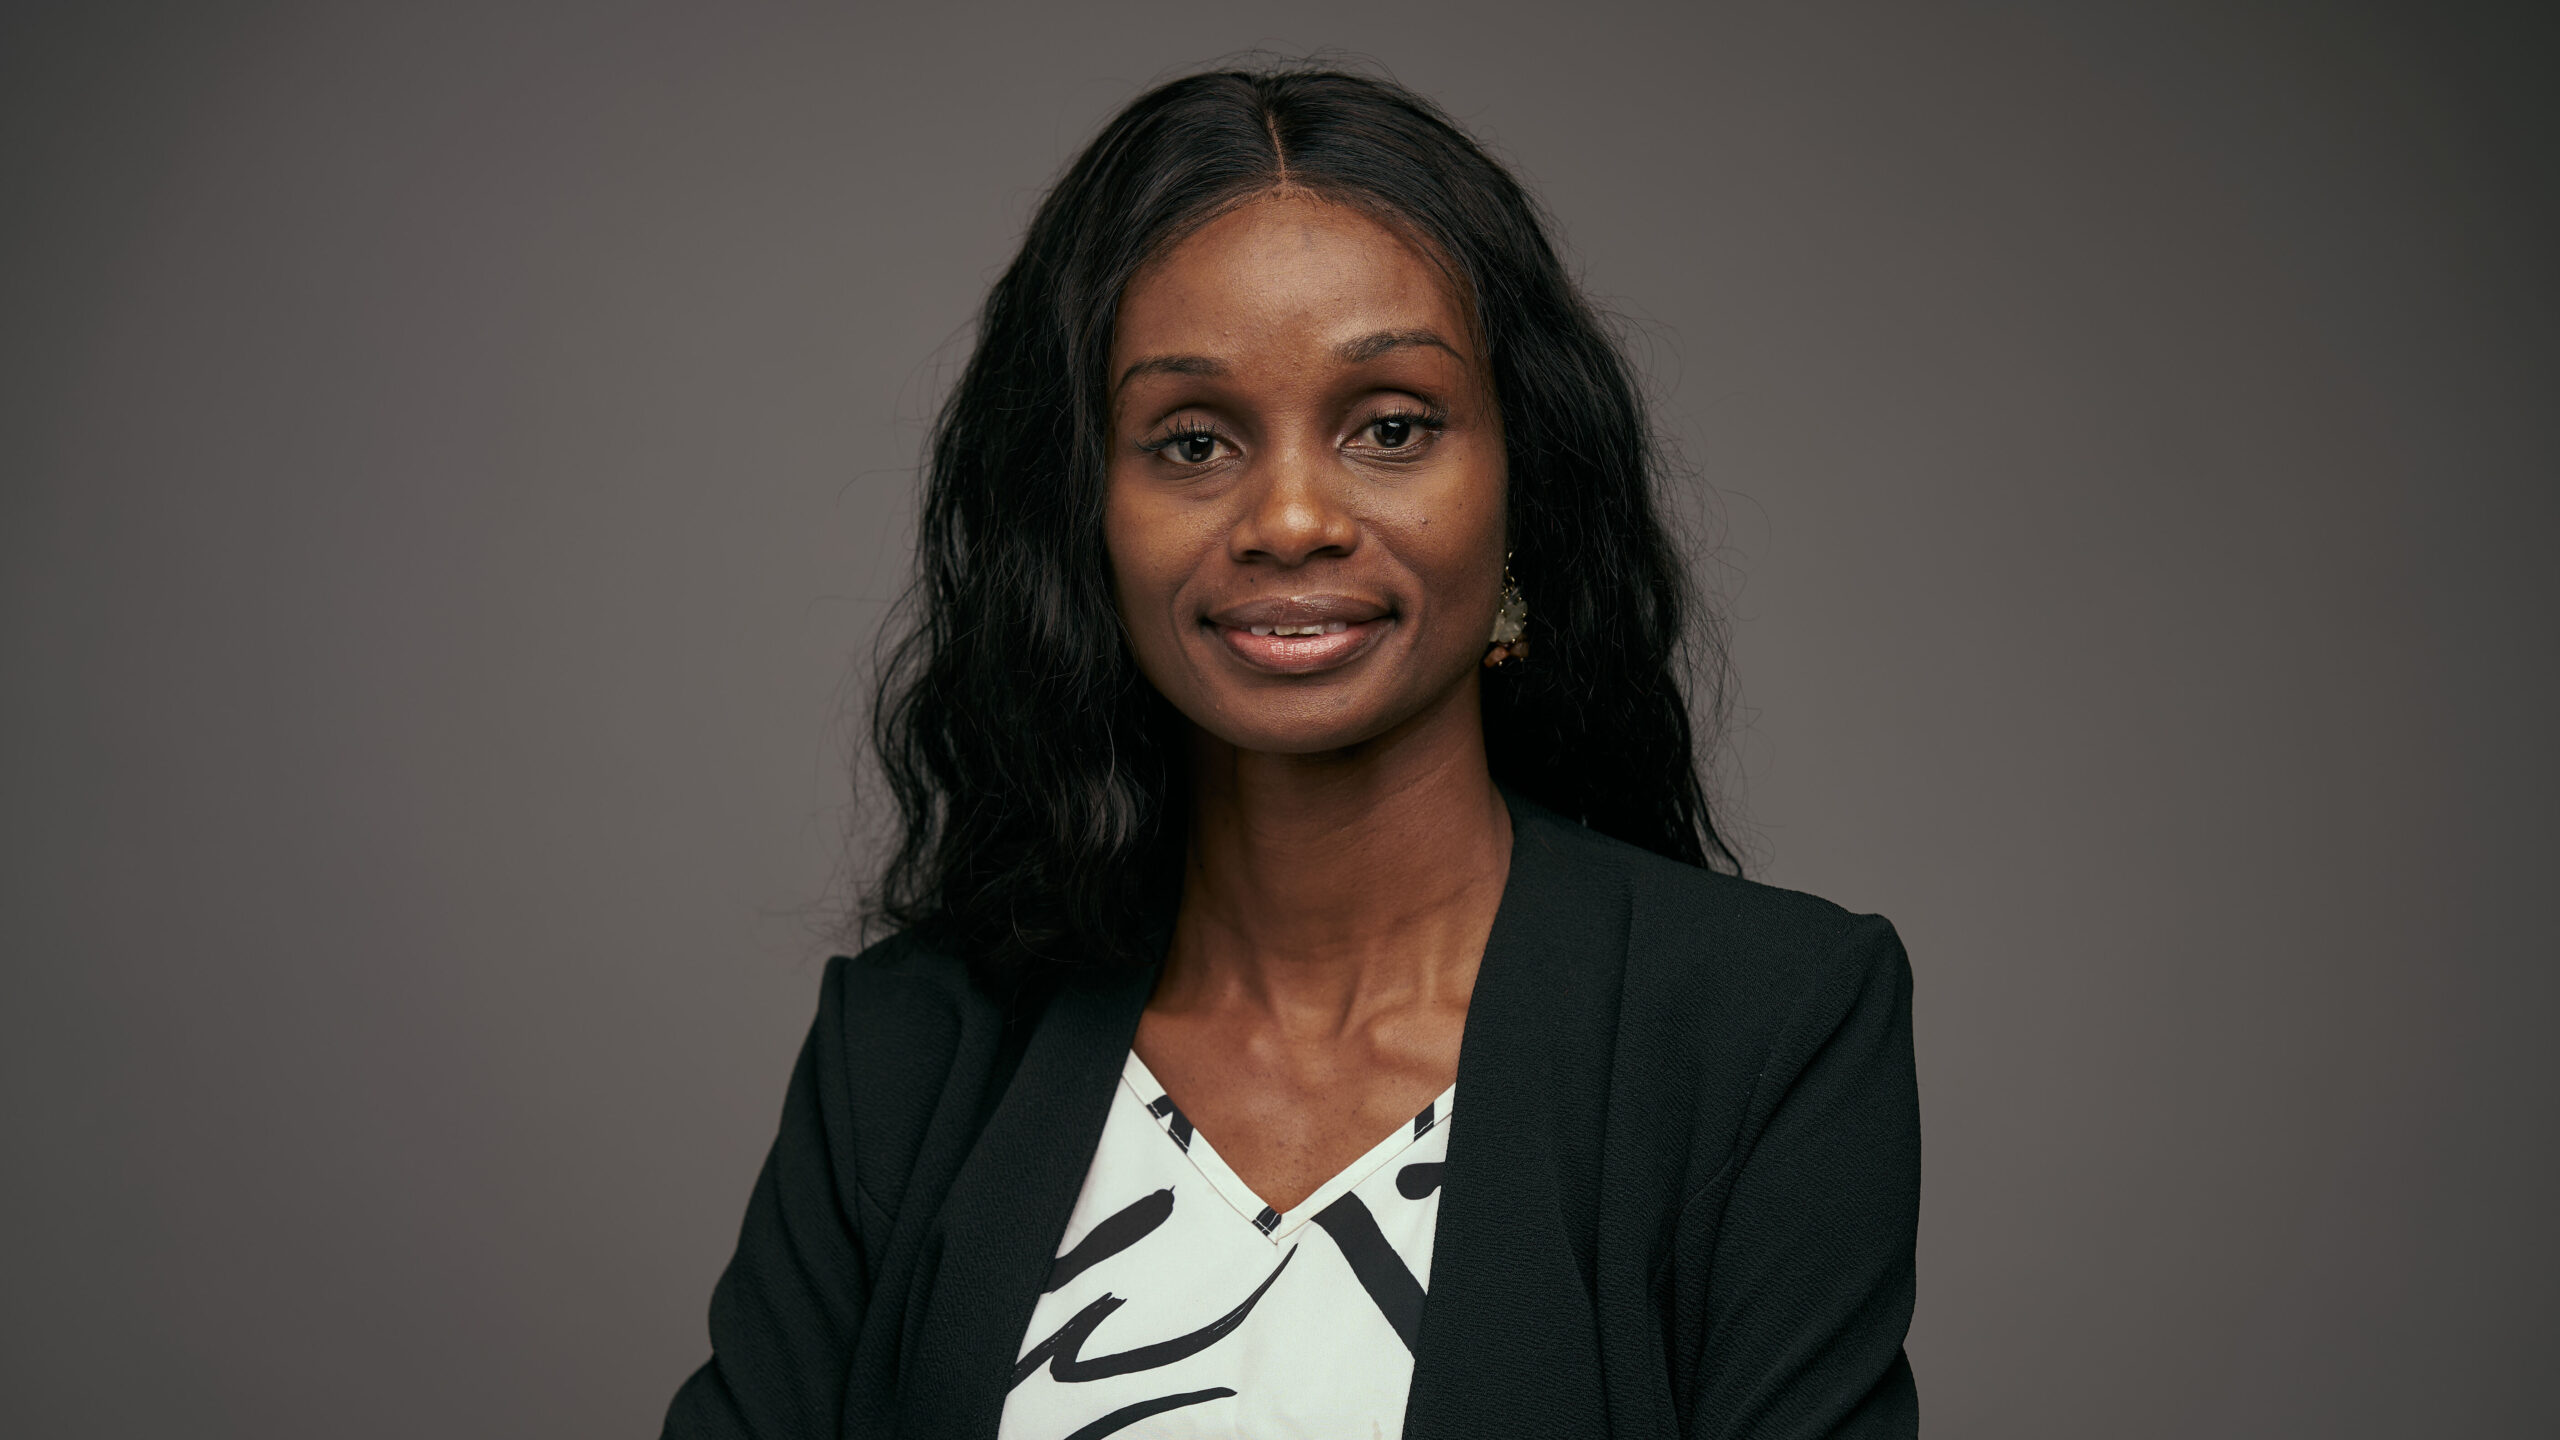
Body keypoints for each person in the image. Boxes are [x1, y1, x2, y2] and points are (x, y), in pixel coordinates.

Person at [662, 66, 1918, 1440]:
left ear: (1522, 485)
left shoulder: (1765, 1029)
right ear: (1087, 518)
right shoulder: (907, 1050)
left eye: (1391, 425)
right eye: (1192, 440)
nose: (1293, 516)